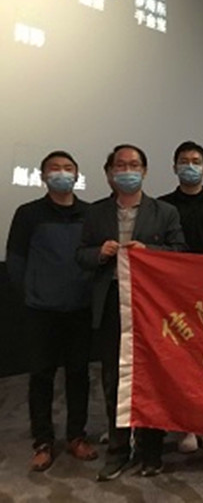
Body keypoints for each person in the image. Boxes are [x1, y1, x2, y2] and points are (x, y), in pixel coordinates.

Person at [77, 144, 186, 480]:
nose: (127, 171)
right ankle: (118, 450)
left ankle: (152, 451)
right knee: (114, 378)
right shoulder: (96, 212)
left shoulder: (164, 211)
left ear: (145, 171)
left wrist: (148, 251)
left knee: (153, 377)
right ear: (109, 172)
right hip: (112, 303)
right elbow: (80, 255)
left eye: (134, 165)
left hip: (150, 304)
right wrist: (100, 252)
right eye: (120, 165)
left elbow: (180, 252)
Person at [6, 151, 97, 472]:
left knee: (79, 374)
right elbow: (16, 260)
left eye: (68, 168)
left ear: (77, 175)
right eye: (55, 169)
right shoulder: (28, 213)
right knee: (42, 375)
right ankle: (43, 441)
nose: (62, 173)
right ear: (43, 176)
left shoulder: (91, 213)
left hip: (80, 307)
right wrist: (31, 295)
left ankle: (76, 436)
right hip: (41, 310)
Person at [158, 140, 203, 453]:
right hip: (173, 296)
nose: (190, 166)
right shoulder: (162, 206)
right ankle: (184, 426)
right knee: (179, 363)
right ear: (174, 167)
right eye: (184, 161)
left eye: (196, 161)